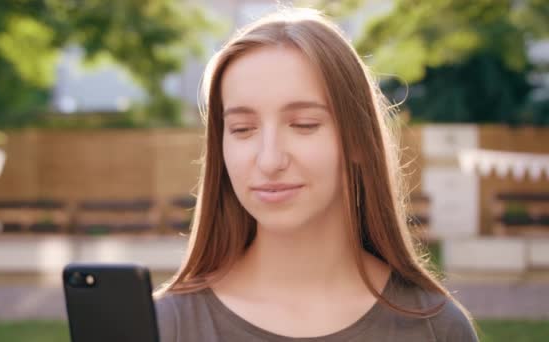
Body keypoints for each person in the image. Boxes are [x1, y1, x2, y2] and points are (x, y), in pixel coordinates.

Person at [154, 7, 478, 342]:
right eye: (242, 129)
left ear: (358, 141)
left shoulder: (436, 328)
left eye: (304, 125)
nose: (269, 160)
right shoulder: (164, 326)